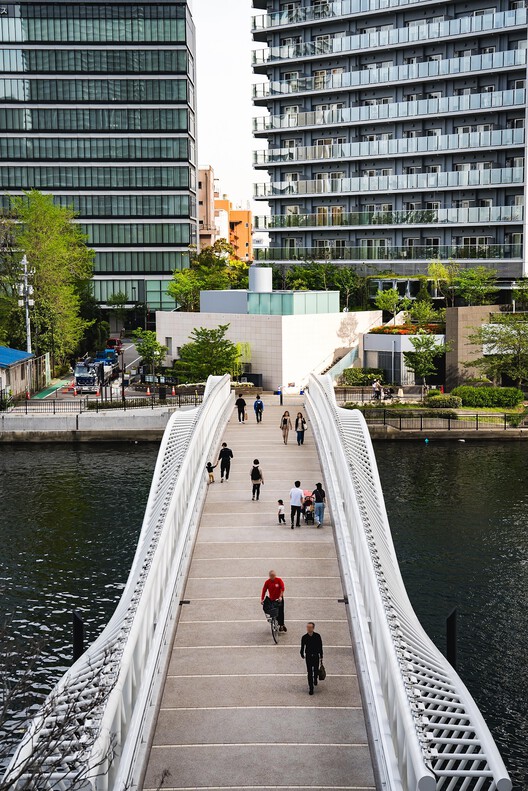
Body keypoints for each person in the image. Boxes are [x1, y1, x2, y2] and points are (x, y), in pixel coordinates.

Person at [300, 622, 323, 695]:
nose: (308, 629)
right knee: (309, 672)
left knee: (316, 670)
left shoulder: (317, 636)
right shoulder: (304, 637)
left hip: (316, 655)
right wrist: (302, 653)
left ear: (313, 628)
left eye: (310, 627)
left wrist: (321, 655)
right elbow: (302, 646)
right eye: (307, 627)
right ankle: (311, 688)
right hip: (308, 656)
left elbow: (320, 646)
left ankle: (315, 678)